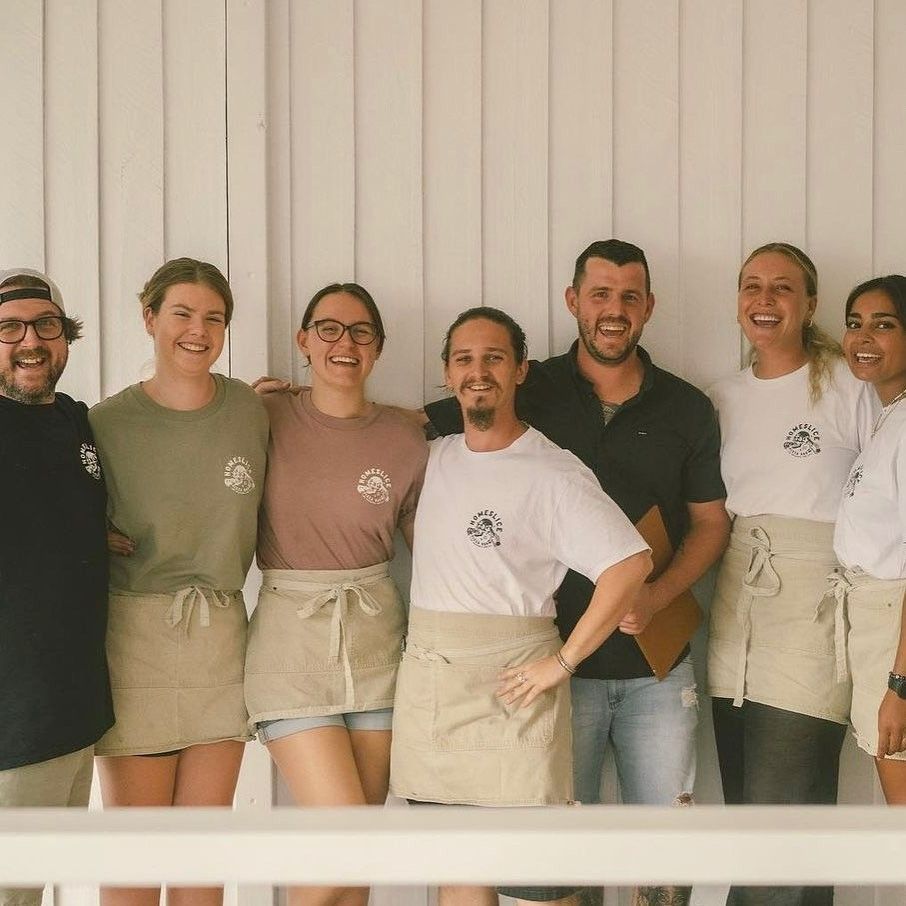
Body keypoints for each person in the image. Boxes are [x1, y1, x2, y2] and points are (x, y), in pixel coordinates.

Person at [424, 241, 729, 906]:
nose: (613, 310)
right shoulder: (530, 386)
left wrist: (656, 594)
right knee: (561, 867)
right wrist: (297, 401)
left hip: (657, 666)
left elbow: (711, 523)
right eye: (599, 294)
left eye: (628, 296)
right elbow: (413, 428)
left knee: (666, 865)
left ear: (648, 307)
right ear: (573, 302)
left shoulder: (686, 407)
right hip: (554, 671)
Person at [391, 306, 652, 906]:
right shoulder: (433, 458)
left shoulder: (553, 472)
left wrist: (561, 663)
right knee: (457, 874)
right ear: (446, 375)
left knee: (538, 881)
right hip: (435, 682)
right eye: (464, 359)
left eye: (493, 358)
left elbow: (629, 564)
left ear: (520, 370)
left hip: (514, 689)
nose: (478, 371)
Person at [88, 258, 268, 906]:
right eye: (182, 314)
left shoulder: (251, 409)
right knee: (134, 861)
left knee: (202, 859)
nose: (198, 330)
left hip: (221, 640)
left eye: (213, 317)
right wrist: (85, 531)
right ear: (149, 319)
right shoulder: (105, 424)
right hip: (135, 641)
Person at [244, 283, 427, 906]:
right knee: (347, 832)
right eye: (328, 329)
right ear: (304, 341)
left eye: (360, 332)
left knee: (358, 859)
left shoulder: (407, 435)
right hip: (290, 642)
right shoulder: (261, 416)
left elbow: (430, 544)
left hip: (377, 643)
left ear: (377, 347)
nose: (343, 343)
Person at [708, 243, 877, 906]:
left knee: (788, 820)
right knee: (754, 821)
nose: (764, 300)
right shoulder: (720, 398)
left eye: (782, 288)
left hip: (811, 613)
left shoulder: (846, 385)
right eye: (751, 285)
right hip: (734, 611)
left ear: (809, 304)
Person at [0, 268, 112, 906]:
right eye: (9, 328)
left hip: (75, 712)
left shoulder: (75, 421)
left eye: (46, 325)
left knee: (40, 890)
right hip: (14, 719)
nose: (30, 341)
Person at [831, 274, 906, 805]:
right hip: (875, 629)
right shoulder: (888, 419)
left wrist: (900, 686)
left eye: (884, 325)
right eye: (855, 324)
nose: (863, 338)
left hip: (896, 640)